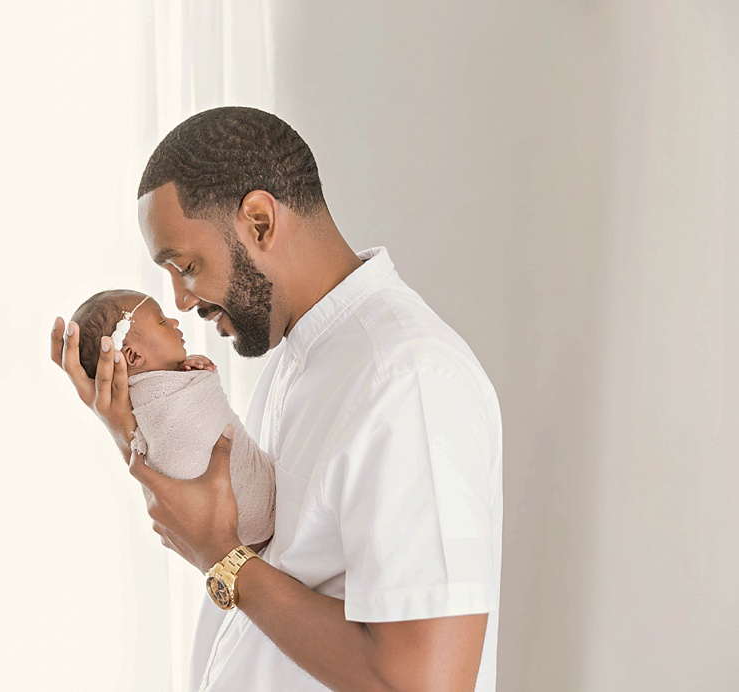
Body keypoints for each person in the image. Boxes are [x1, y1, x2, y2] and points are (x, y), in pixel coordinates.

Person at [51, 106, 502, 690]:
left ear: (259, 222)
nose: (182, 302)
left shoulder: (408, 380)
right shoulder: (299, 356)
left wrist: (222, 558)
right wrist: (134, 429)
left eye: (185, 266)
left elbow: (423, 682)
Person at [69, 288, 275, 547]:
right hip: (240, 522)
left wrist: (191, 373)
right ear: (133, 356)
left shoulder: (166, 386)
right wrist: (199, 376)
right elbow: (166, 451)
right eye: (163, 321)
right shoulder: (151, 404)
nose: (175, 321)